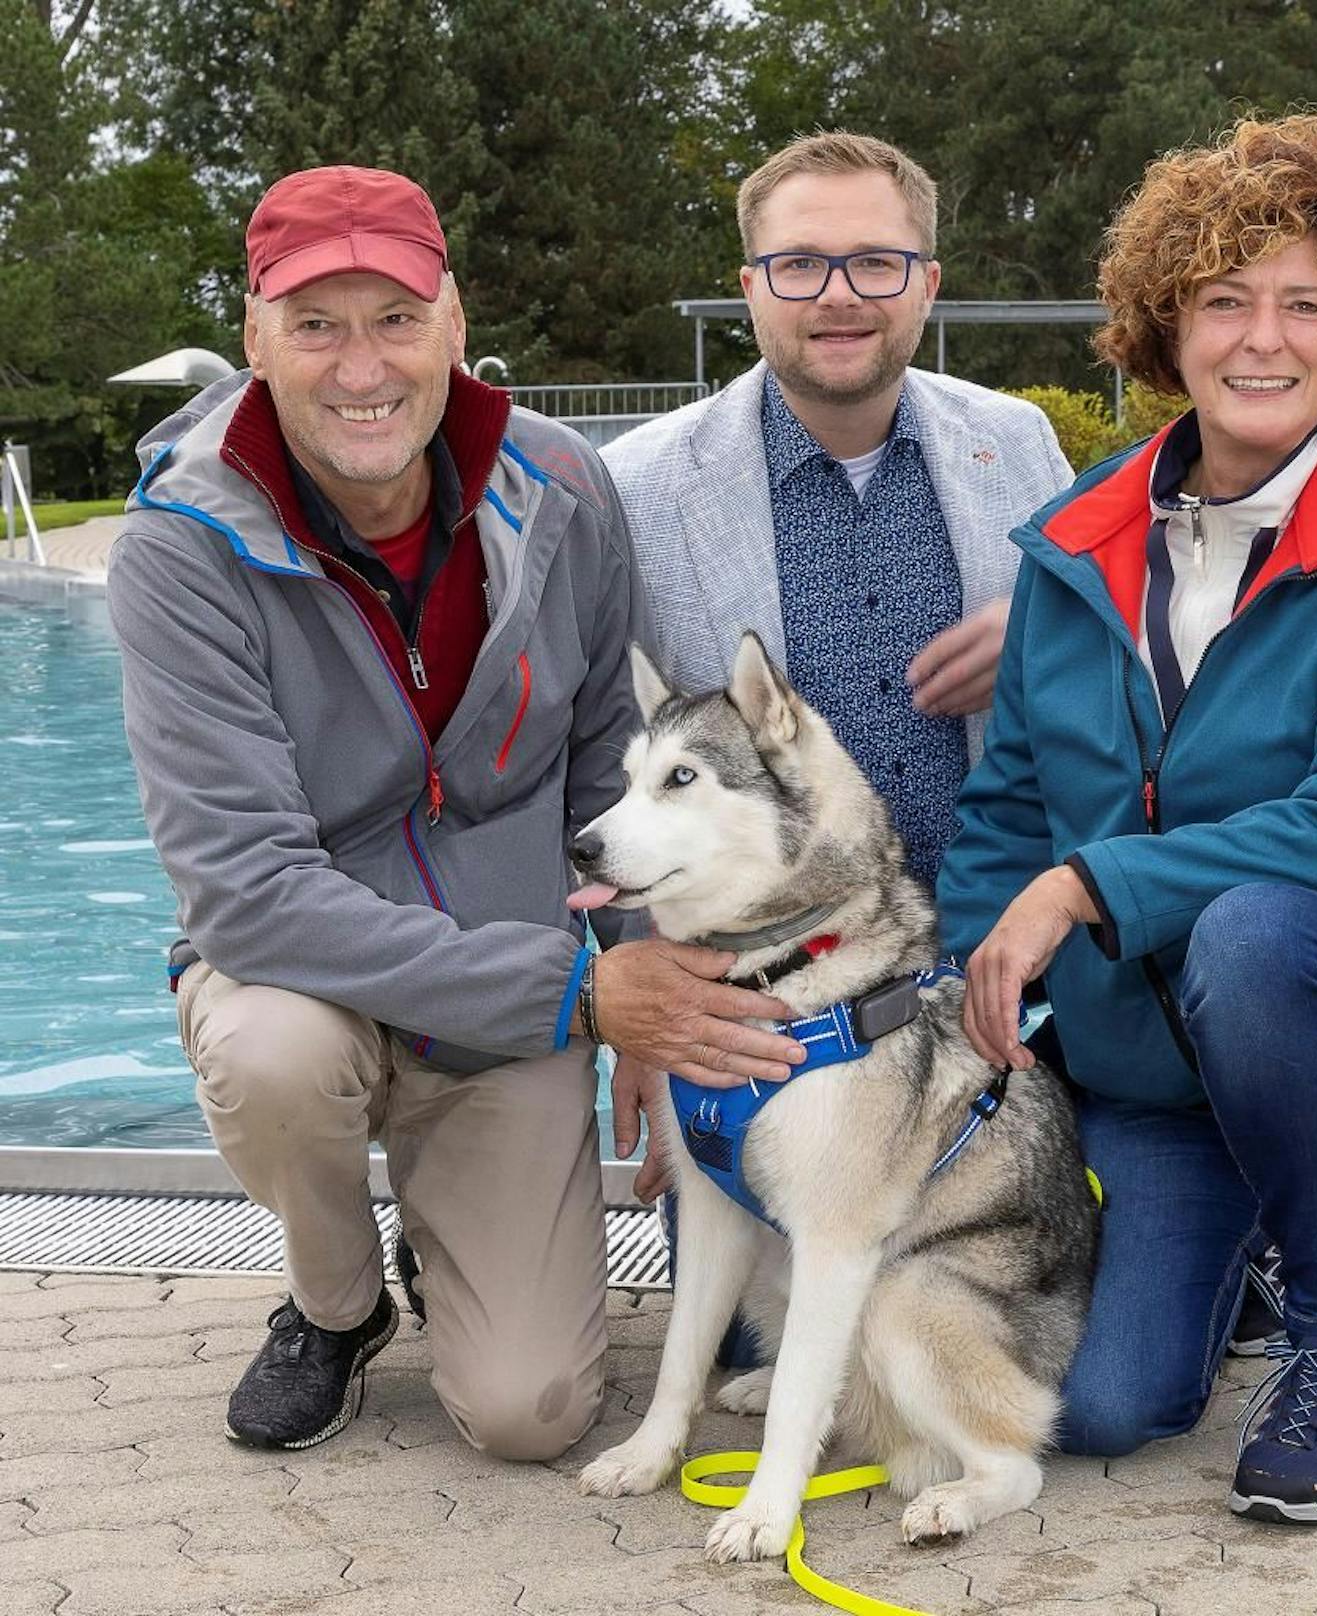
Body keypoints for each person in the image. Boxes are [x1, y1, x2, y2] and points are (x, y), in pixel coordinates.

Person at [107, 165, 805, 1460]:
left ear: (454, 321)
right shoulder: (179, 550)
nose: (359, 364)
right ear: (255, 338)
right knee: (271, 1053)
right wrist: (585, 1002)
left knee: (531, 1417)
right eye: (315, 324)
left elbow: (612, 746)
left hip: (505, 1000)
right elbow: (245, 894)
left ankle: (456, 1249)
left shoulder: (563, 487)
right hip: (307, 983)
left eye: (394, 316)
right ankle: (337, 1302)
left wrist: (641, 963)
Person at [938, 114, 1317, 1524]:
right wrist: (960, 1008)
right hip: (1154, 1069)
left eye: (1305, 306)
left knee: (1260, 936)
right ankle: (1242, 1250)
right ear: (1168, 324)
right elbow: (1008, 811)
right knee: (1101, 1408)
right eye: (1225, 301)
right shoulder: (1076, 544)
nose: (1264, 340)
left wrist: (1088, 887)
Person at [603, 130, 1072, 1199]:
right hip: (768, 1003)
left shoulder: (1020, 446)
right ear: (750, 287)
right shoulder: (633, 488)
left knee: (1088, 1344)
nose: (838, 295)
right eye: (799, 264)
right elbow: (611, 759)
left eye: (875, 262)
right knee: (743, 1336)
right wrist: (641, 1010)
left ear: (925, 284)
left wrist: (1046, 638)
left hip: (996, 979)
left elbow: (1118, 694)